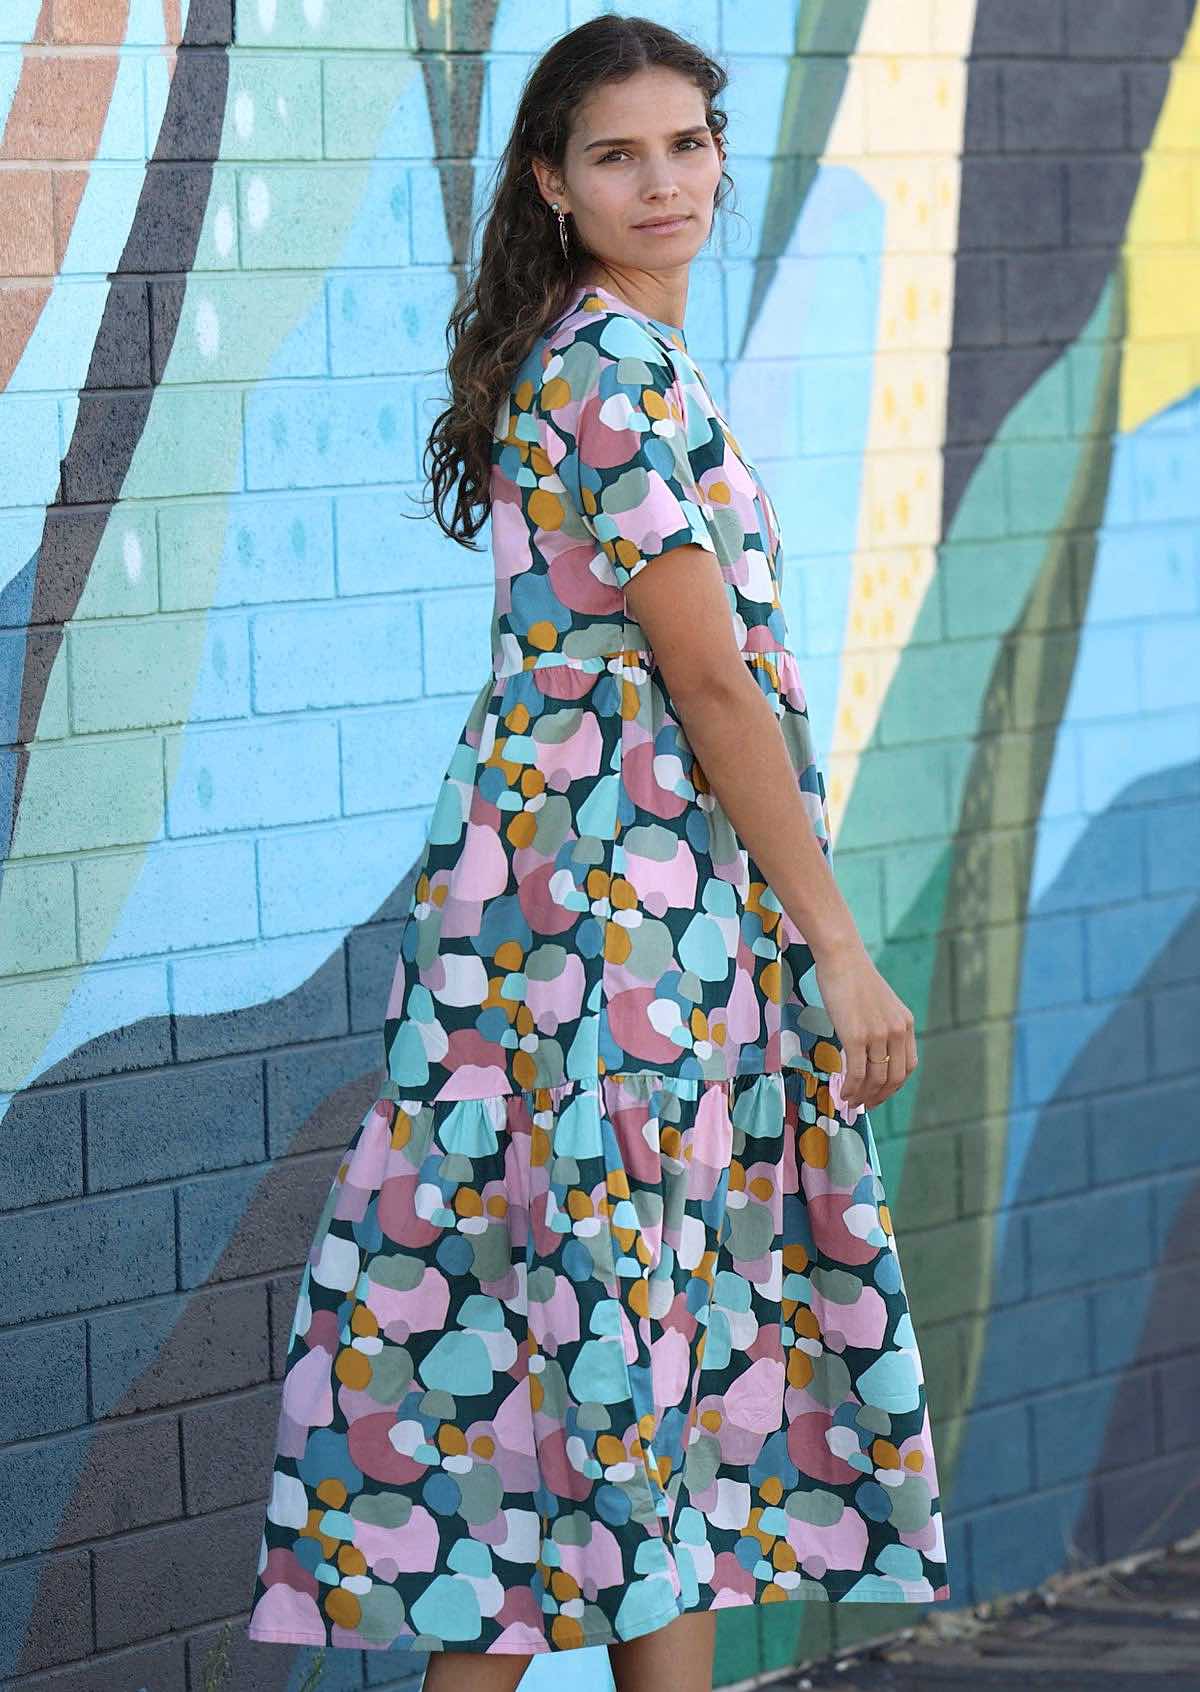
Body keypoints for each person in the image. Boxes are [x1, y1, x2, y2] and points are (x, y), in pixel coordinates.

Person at [244, 15, 949, 1692]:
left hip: (595, 912)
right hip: (612, 929)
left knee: (604, 1359)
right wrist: (837, 945)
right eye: (617, 155)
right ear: (552, 183)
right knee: (604, 1343)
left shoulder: (608, 354)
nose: (663, 181)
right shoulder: (614, 371)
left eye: (686, 145)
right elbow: (708, 678)